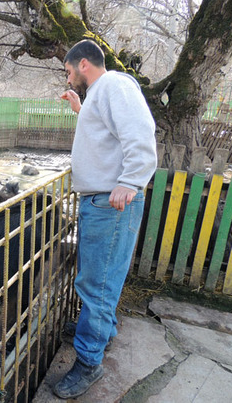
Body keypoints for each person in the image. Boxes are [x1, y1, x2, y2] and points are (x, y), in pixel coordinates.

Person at [54, 39, 157, 399]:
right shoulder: (100, 93)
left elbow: (139, 132)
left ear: (83, 64)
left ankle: (88, 362)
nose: (69, 79)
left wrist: (131, 180)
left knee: (95, 284)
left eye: (69, 72)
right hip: (100, 201)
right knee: (101, 277)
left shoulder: (114, 84)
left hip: (110, 203)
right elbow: (107, 135)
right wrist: (81, 109)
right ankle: (102, 329)